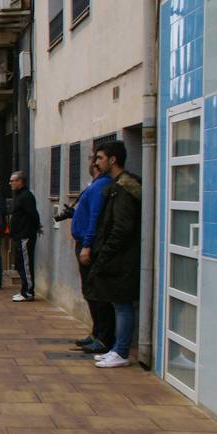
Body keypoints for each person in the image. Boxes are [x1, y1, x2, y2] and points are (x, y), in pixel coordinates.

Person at [85, 141, 142, 368]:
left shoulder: (123, 189)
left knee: (122, 304)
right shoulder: (116, 186)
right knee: (118, 304)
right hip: (117, 257)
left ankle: (121, 351)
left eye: (99, 158)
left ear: (112, 159)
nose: (96, 162)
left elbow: (122, 227)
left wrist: (105, 253)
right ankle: (117, 348)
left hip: (122, 259)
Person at [70, 158, 114, 353]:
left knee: (97, 292)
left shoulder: (102, 185)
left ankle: (104, 337)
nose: (91, 162)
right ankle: (96, 332)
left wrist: (87, 245)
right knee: (89, 291)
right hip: (83, 242)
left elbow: (95, 217)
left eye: (95, 158)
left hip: (90, 245)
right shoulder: (94, 185)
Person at [8, 170, 41, 302]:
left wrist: (36, 226)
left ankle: (28, 291)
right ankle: (24, 289)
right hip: (19, 235)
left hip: (25, 235)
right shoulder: (19, 195)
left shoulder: (26, 196)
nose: (11, 183)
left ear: (20, 182)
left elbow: (33, 214)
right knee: (21, 264)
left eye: (13, 181)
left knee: (26, 264)